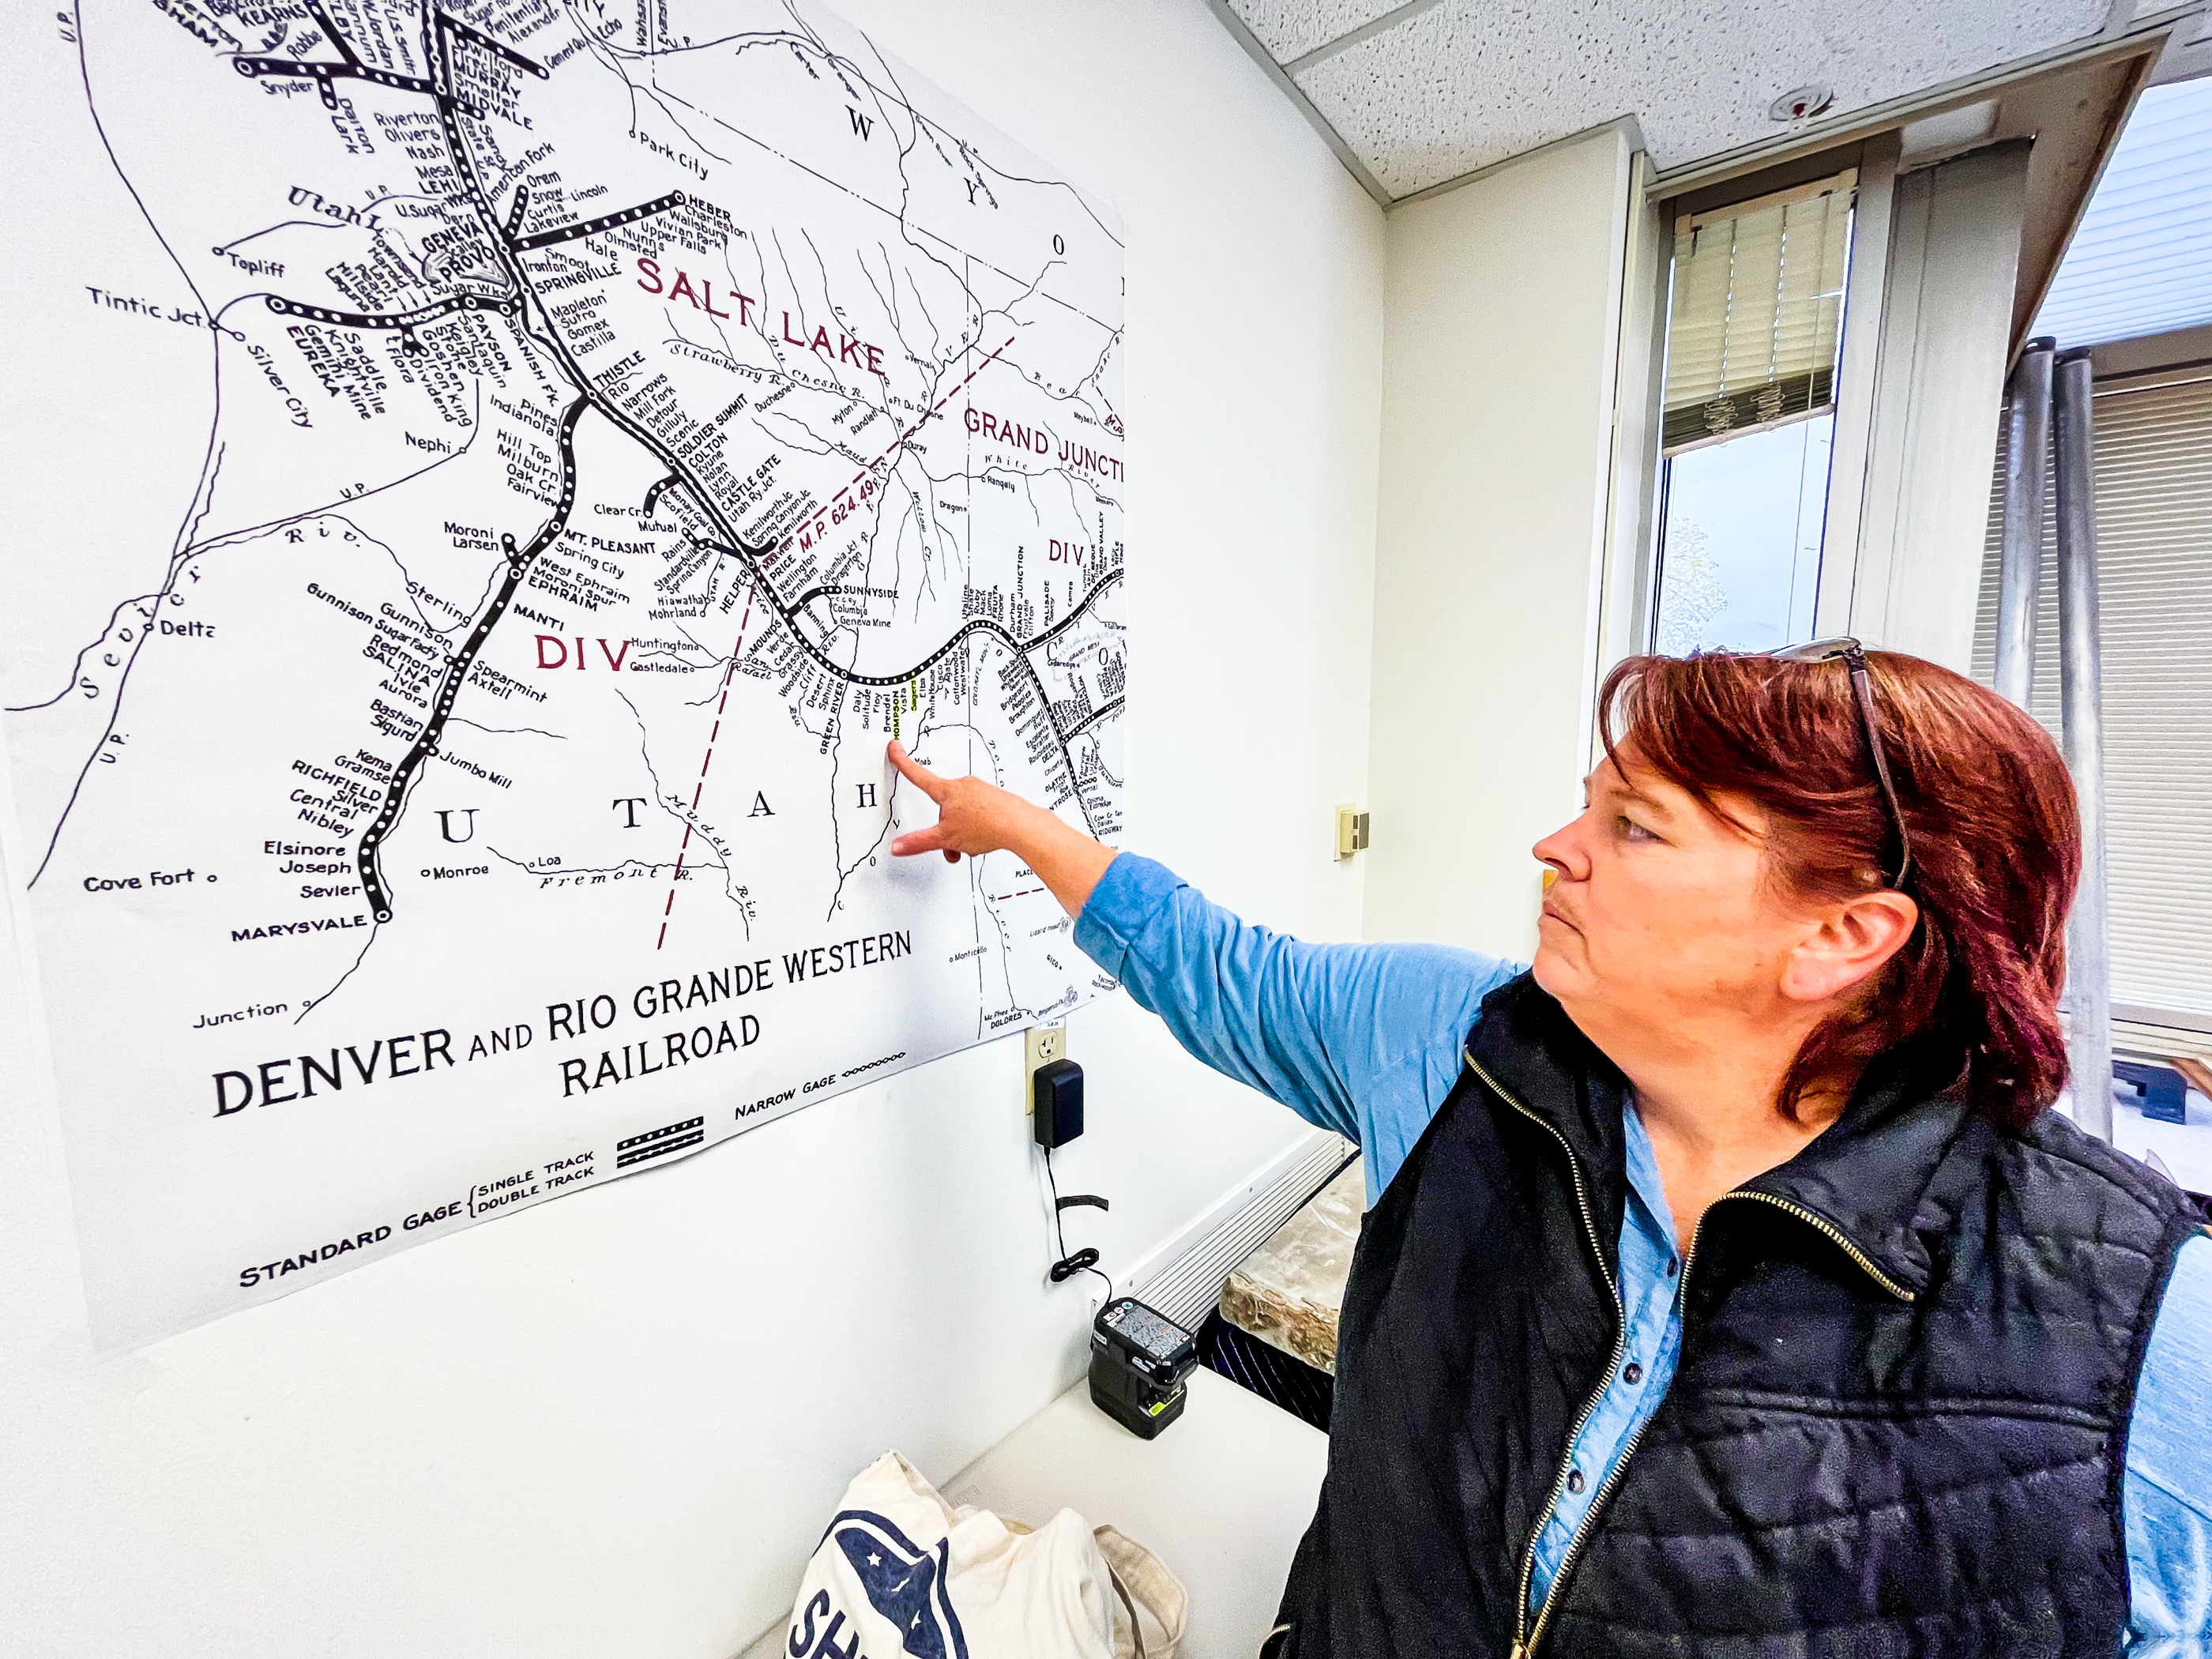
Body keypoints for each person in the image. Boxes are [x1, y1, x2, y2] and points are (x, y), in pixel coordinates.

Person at [884, 643, 2212, 1659]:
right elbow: (1219, 968)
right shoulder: (1457, 1041)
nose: (1555, 848)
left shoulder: (2148, 1336)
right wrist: (1017, 829)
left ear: (1842, 939)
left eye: (1634, 827)